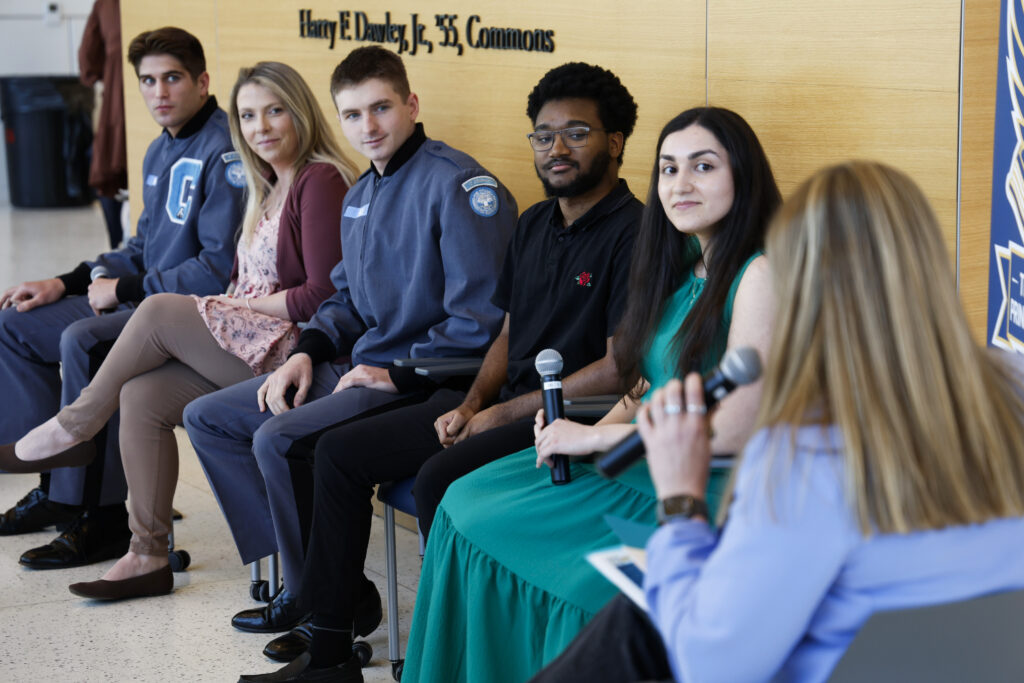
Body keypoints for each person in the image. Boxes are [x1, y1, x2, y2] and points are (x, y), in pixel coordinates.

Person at [529, 161, 1024, 683]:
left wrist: (680, 499)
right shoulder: (1012, 383)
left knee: (634, 625)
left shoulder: (805, 457)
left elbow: (708, 665)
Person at [240, 61, 643, 680]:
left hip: (564, 415)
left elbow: (618, 369)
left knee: (435, 480)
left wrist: (494, 412)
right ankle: (330, 653)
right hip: (493, 396)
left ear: (615, 141)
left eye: (578, 133)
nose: (556, 148)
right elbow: (506, 331)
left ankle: (438, 649)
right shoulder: (536, 221)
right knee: (338, 457)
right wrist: (472, 402)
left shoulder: (637, 232)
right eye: (543, 135)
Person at [399, 107, 781, 683]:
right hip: (633, 457)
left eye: (703, 167)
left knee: (579, 588)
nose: (681, 184)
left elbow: (733, 428)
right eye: (669, 169)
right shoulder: (680, 263)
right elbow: (644, 381)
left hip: (699, 486)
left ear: (743, 176)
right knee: (461, 506)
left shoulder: (759, 275)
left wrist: (597, 435)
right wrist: (573, 437)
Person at [182, 45, 516, 641]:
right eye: (354, 115)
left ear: (412, 105)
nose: (370, 126)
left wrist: (395, 374)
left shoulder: (459, 184)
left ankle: (311, 597)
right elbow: (344, 300)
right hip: (356, 367)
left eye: (382, 108)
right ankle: (325, 585)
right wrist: (308, 350)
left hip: (424, 381)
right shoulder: (361, 194)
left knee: (279, 439)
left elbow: (482, 321)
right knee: (209, 419)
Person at [1, 60, 356, 600]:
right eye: (249, 116)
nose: (261, 127)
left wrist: (238, 305)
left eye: (274, 111)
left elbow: (322, 295)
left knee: (161, 310)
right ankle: (147, 554)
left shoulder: (320, 179)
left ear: (300, 112)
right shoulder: (268, 184)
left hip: (295, 355)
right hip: (254, 341)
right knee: (141, 395)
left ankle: (74, 428)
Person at [0, 27, 243, 567]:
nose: (159, 92)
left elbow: (216, 270)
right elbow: (138, 247)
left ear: (203, 82)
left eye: (173, 78)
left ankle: (101, 516)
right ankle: (53, 486)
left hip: (187, 315)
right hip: (139, 298)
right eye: (148, 81)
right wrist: (64, 282)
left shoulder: (226, 152)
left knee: (82, 341)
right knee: (15, 321)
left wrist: (127, 289)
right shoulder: (159, 147)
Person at [79, 0, 127, 249]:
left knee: (108, 168)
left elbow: (87, 61)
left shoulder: (106, 3)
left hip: (118, 102)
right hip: (171, 91)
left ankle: (116, 245)